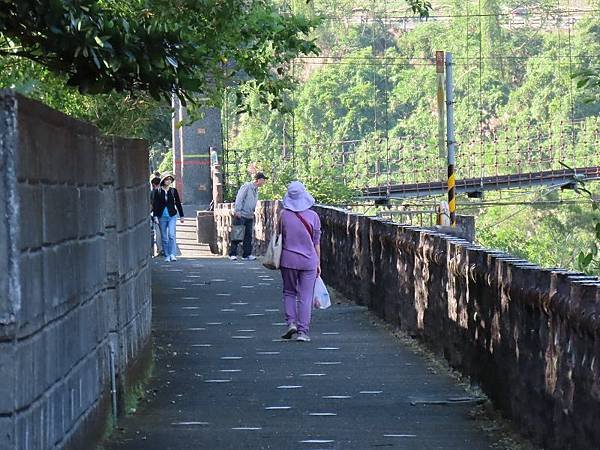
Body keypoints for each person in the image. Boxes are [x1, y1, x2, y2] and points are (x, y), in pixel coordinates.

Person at [278, 181, 321, 342]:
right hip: (309, 260)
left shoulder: (283, 215)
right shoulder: (313, 216)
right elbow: (316, 242)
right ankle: (303, 331)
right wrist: (318, 263)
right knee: (305, 296)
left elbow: (279, 236)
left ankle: (291, 323)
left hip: (288, 259)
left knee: (289, 292)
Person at [228, 172, 268, 261]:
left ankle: (246, 254)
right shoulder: (247, 186)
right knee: (237, 234)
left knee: (248, 236)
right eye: (263, 180)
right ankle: (232, 254)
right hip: (241, 214)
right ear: (258, 180)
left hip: (249, 215)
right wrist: (237, 210)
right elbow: (239, 198)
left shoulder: (256, 190)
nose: (264, 182)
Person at [152, 173, 184, 262]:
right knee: (164, 237)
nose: (168, 181)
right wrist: (155, 216)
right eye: (167, 179)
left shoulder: (173, 191)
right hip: (161, 216)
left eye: (170, 179)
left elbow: (178, 203)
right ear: (163, 181)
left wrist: (181, 216)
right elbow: (155, 205)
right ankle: (167, 255)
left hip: (172, 215)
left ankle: (173, 254)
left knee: (171, 235)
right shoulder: (158, 191)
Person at [149, 173, 163, 256]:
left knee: (158, 233)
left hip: (157, 216)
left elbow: (151, 206)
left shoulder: (152, 193)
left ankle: (160, 250)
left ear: (153, 184)